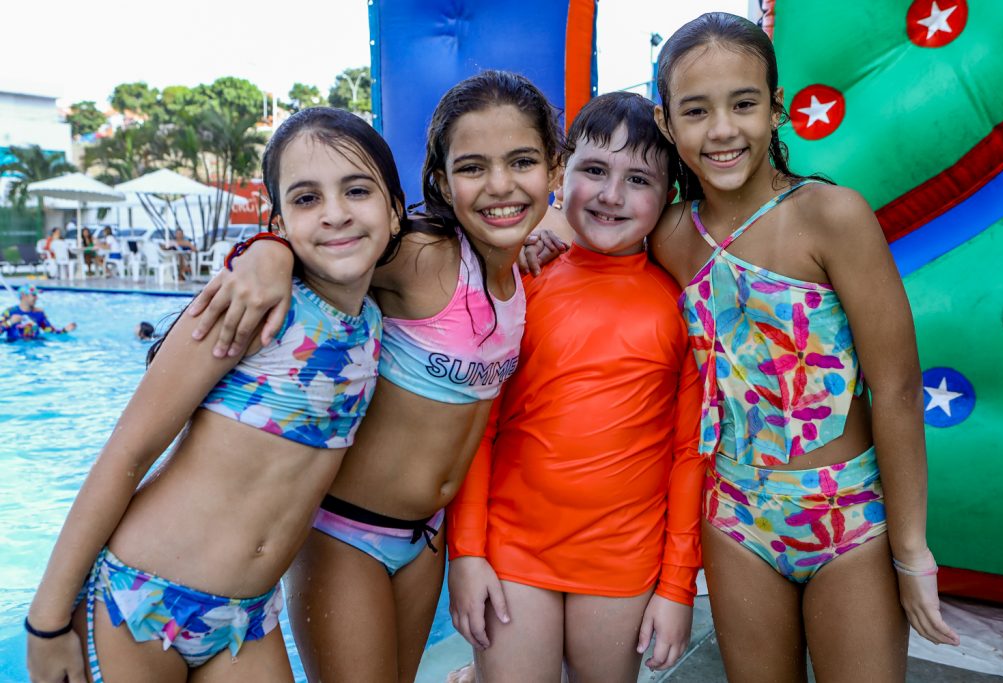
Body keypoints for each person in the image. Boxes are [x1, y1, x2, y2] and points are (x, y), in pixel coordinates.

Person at [186, 70, 559, 682]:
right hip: (344, 534)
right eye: (472, 168)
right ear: (439, 182)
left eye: (522, 161)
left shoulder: (522, 273)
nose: (500, 186)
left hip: (425, 543)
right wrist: (266, 252)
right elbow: (330, 243)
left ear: (554, 169)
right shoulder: (422, 257)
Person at [25, 107, 400, 683]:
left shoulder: (376, 319)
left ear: (396, 212)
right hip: (141, 603)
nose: (335, 213)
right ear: (277, 221)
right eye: (305, 199)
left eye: (357, 190)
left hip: (245, 619)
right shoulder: (248, 307)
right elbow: (126, 454)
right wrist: (45, 623)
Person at [647, 13, 959, 681]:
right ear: (668, 124)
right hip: (735, 516)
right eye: (696, 111)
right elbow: (586, 211)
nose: (723, 129)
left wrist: (911, 552)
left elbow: (898, 386)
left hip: (849, 518)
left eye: (744, 103)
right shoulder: (668, 235)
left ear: (777, 109)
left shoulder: (831, 216)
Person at [445, 92, 704, 683]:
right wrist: (469, 552)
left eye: (638, 178)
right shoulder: (519, 285)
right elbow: (477, 431)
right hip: (512, 551)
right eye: (594, 170)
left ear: (668, 196)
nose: (612, 195)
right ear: (562, 175)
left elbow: (689, 455)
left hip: (620, 560)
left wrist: (677, 584)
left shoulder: (680, 305)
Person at [1, 284, 76, 341]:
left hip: (36, 346)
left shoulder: (39, 313)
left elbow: (49, 331)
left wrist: (65, 330)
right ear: (23, 295)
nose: (37, 298)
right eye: (33, 295)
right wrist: (10, 322)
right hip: (15, 347)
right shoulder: (9, 312)